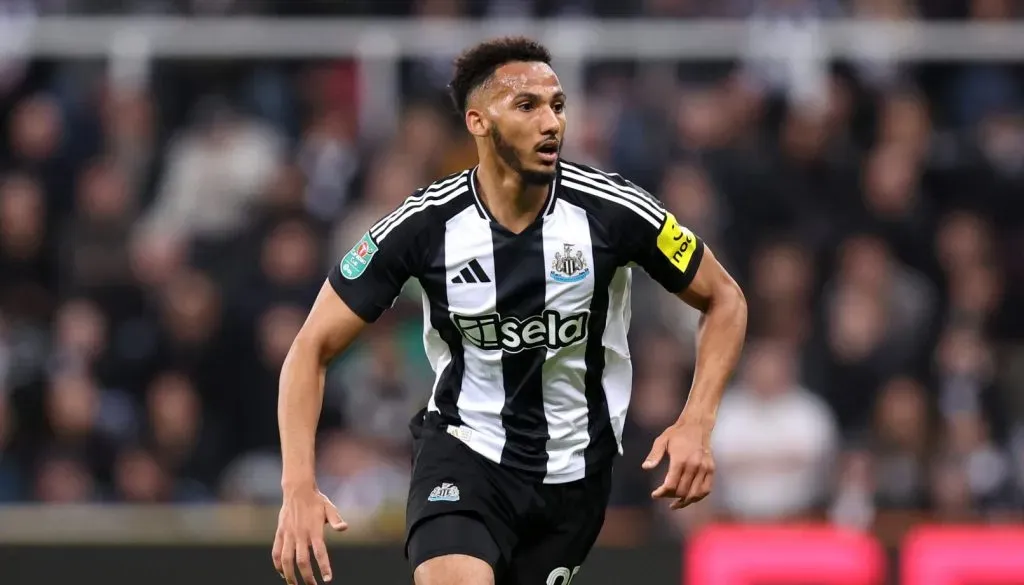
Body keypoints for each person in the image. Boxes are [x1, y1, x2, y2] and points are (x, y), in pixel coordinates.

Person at [272, 37, 748, 585]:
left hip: (575, 472)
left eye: (557, 105)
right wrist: (298, 485)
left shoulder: (613, 211)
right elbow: (310, 347)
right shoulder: (424, 225)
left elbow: (725, 299)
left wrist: (697, 421)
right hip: (464, 452)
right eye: (527, 105)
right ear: (478, 122)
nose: (551, 123)